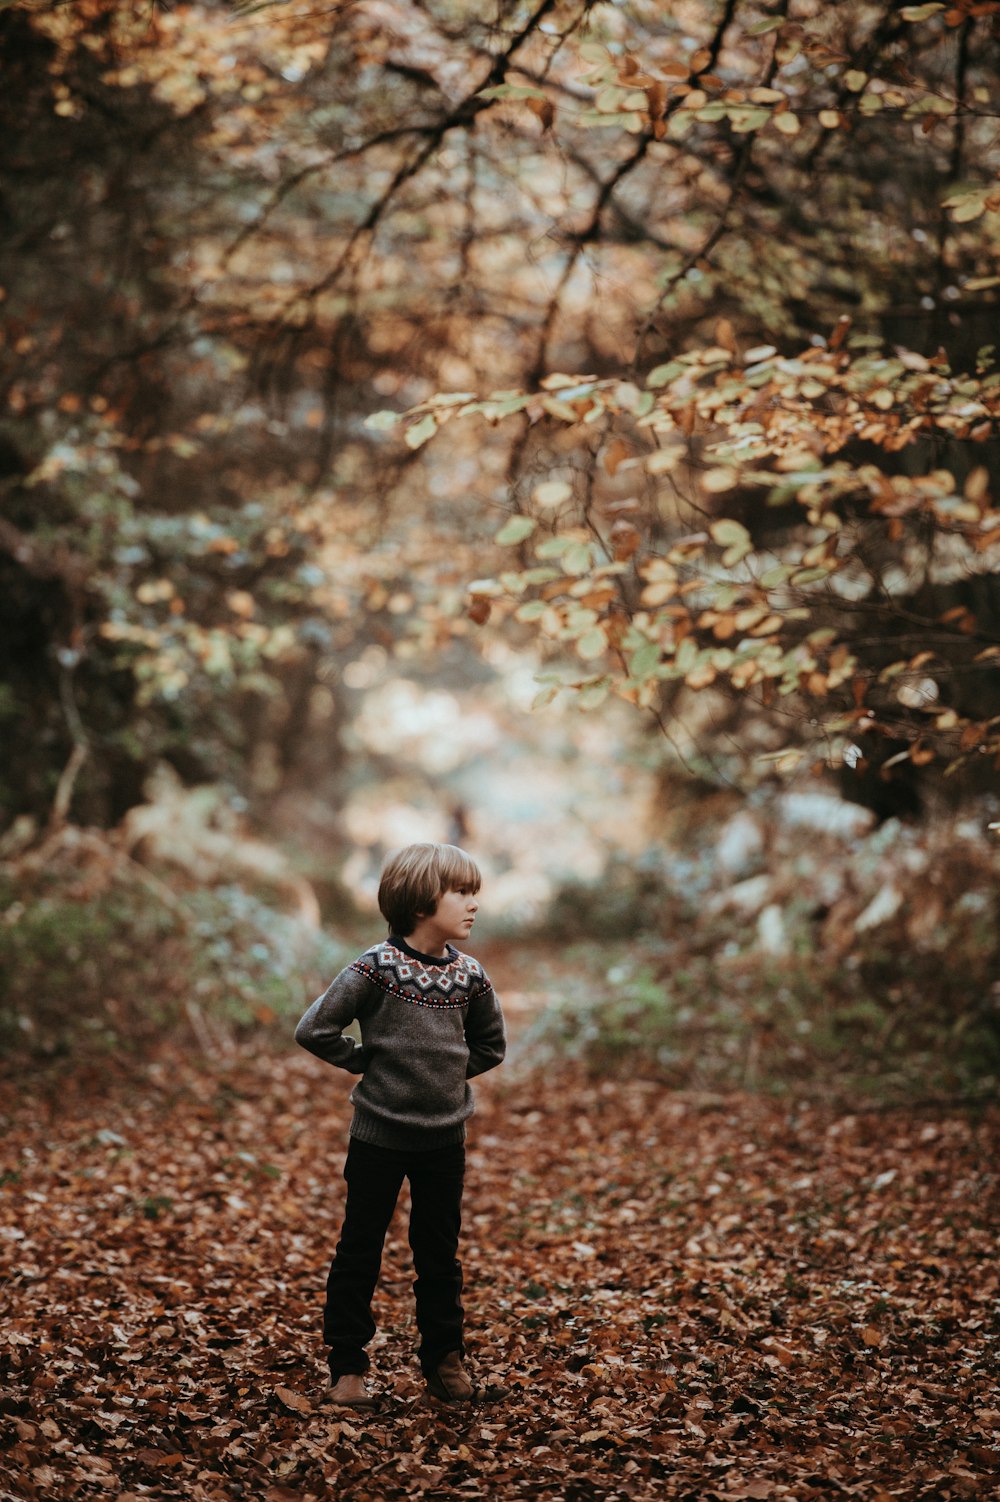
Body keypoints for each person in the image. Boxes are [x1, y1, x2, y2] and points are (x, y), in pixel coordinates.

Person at [295, 841, 506, 1407]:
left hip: (444, 1139)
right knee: (360, 1247)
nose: (472, 903)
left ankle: (444, 1362)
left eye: (474, 892)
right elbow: (314, 1030)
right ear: (419, 903)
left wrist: (447, 1075)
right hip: (378, 1138)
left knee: (438, 1254)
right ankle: (347, 1370)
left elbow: (491, 1045)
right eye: (461, 892)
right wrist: (365, 1062)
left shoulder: (470, 976)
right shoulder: (373, 967)